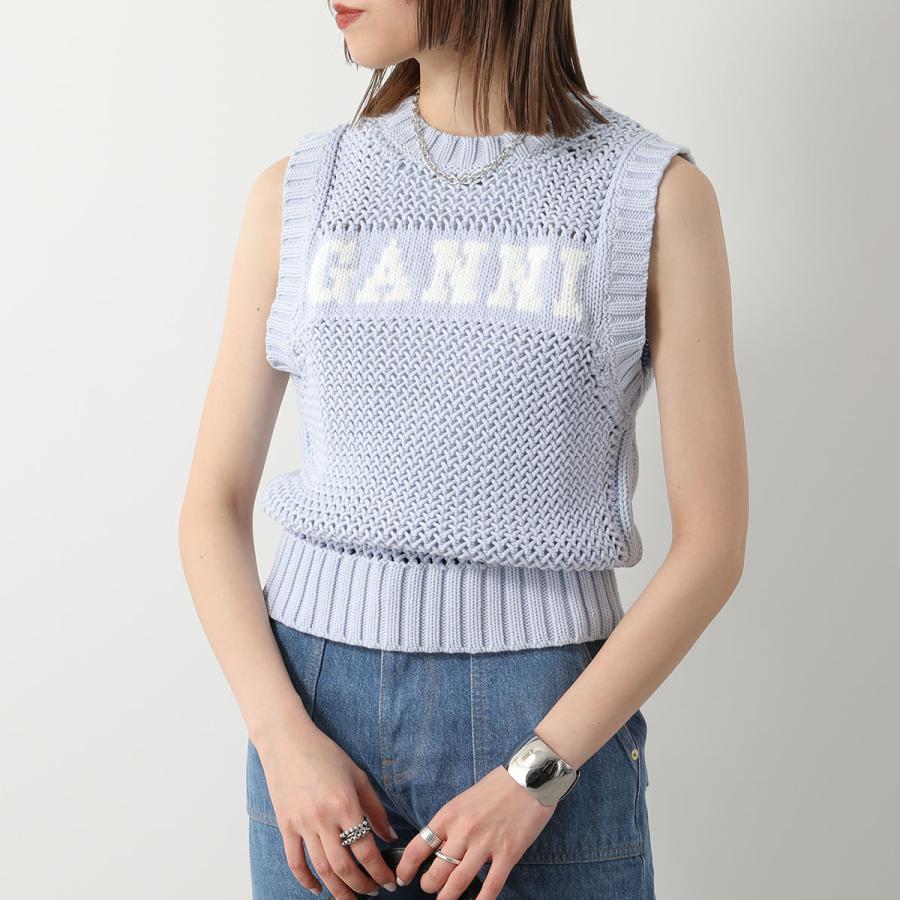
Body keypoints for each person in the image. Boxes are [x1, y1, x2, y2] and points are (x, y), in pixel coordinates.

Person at [178, 1, 748, 897]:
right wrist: (280, 738)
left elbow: (713, 546)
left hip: (548, 717)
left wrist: (537, 774)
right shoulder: (301, 190)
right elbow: (211, 502)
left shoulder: (651, 195)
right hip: (312, 717)